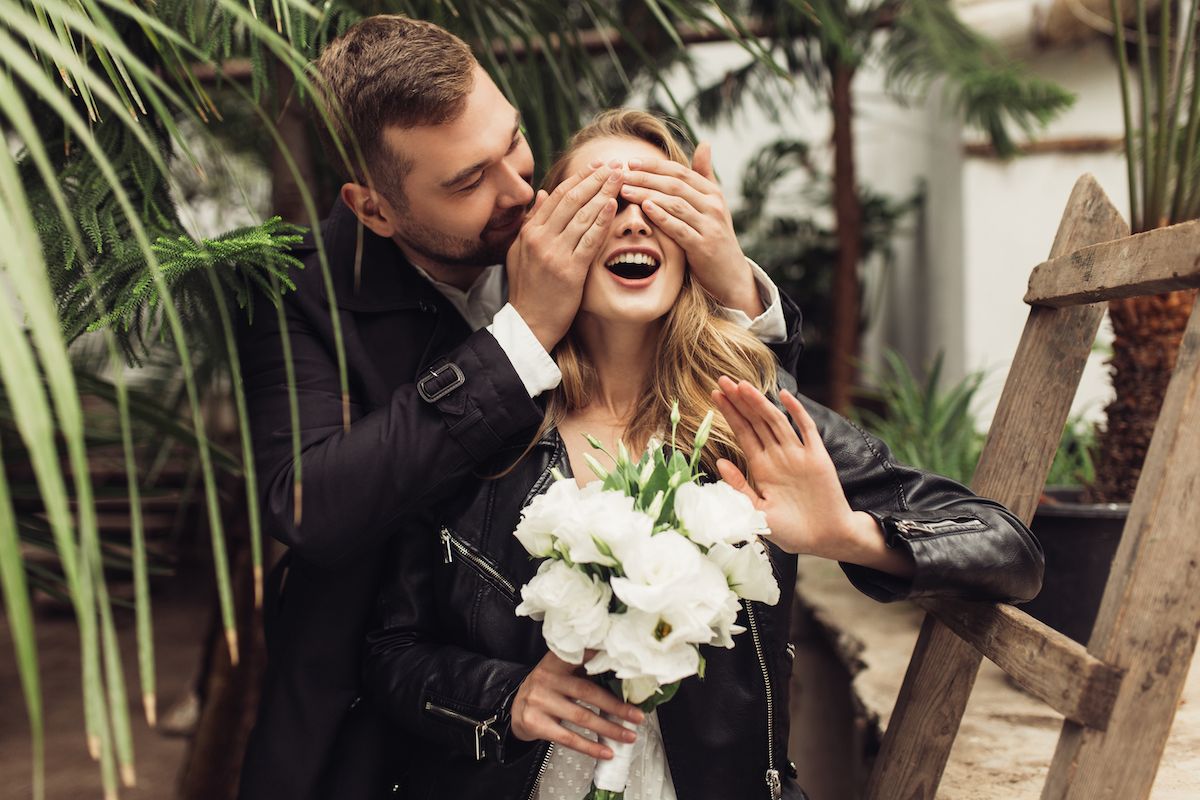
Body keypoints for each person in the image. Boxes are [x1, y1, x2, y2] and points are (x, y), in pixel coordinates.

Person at [362, 110, 1043, 800]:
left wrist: (848, 535)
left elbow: (1010, 551)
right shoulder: (482, 432)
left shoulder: (751, 419)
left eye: (659, 201)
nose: (632, 221)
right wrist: (505, 698)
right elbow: (389, 654)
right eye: (600, 202)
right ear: (547, 240)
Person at [236, 16, 802, 800]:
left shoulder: (575, 231)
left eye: (514, 143)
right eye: (468, 182)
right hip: (369, 731)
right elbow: (308, 505)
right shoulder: (292, 292)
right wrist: (522, 337)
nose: (519, 191)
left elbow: (715, 384)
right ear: (374, 210)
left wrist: (739, 288)